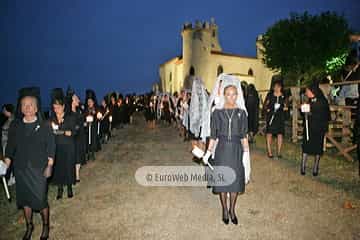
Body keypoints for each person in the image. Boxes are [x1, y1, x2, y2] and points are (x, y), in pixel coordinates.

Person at [3, 87, 55, 240]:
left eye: (30, 104)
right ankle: (29, 226)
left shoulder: (44, 125)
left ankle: (45, 226)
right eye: (24, 104)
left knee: (40, 200)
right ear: (20, 107)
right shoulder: (15, 126)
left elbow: (51, 145)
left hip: (39, 170)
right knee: (25, 200)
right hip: (21, 170)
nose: (27, 107)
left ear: (36, 107)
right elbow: (10, 147)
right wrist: (5, 165)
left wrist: (50, 165)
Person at [202, 74, 249, 225]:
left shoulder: (242, 113)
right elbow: (214, 135)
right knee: (223, 183)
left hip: (236, 150)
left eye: (233, 94)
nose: (231, 97)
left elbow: (243, 135)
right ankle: (224, 209)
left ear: (237, 95)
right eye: (228, 94)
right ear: (224, 95)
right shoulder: (217, 112)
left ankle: (232, 210)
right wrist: (208, 152)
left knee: (235, 182)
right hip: (222, 149)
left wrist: (246, 155)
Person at [50, 88, 77, 199]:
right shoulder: (52, 119)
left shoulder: (69, 117)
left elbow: (75, 131)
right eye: (54, 108)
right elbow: (50, 131)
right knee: (59, 168)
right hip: (57, 147)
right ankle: (60, 189)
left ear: (63, 107)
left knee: (68, 167)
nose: (56, 110)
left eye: (58, 107)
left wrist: (67, 132)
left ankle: (69, 187)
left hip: (68, 147)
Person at [301, 81, 330, 176]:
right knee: (306, 146)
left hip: (318, 129)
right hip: (309, 127)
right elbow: (307, 112)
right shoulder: (310, 100)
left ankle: (315, 167)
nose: (306, 93)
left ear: (312, 91)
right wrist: (304, 110)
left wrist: (310, 111)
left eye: (307, 91)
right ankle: (303, 166)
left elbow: (323, 114)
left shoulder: (322, 101)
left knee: (317, 148)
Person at [263, 80, 288, 158]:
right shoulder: (270, 95)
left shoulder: (283, 96)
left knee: (280, 134)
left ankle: (279, 152)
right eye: (275, 87)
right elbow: (265, 105)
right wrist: (267, 109)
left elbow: (286, 106)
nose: (276, 88)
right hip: (271, 117)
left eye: (278, 87)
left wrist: (285, 108)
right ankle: (269, 152)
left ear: (281, 87)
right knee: (269, 133)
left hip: (280, 117)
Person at [66, 88, 86, 182]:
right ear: (72, 101)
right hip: (72, 138)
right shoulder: (68, 114)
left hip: (80, 137)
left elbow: (82, 121)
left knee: (78, 156)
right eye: (76, 99)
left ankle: (77, 174)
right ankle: (75, 175)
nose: (78, 100)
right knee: (73, 157)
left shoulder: (78, 112)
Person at [1, 104, 15, 185]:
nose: (3, 111)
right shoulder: (8, 119)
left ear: (7, 110)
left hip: (8, 144)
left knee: (10, 161)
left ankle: (12, 178)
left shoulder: (13, 120)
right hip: (5, 143)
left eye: (4, 110)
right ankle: (10, 177)